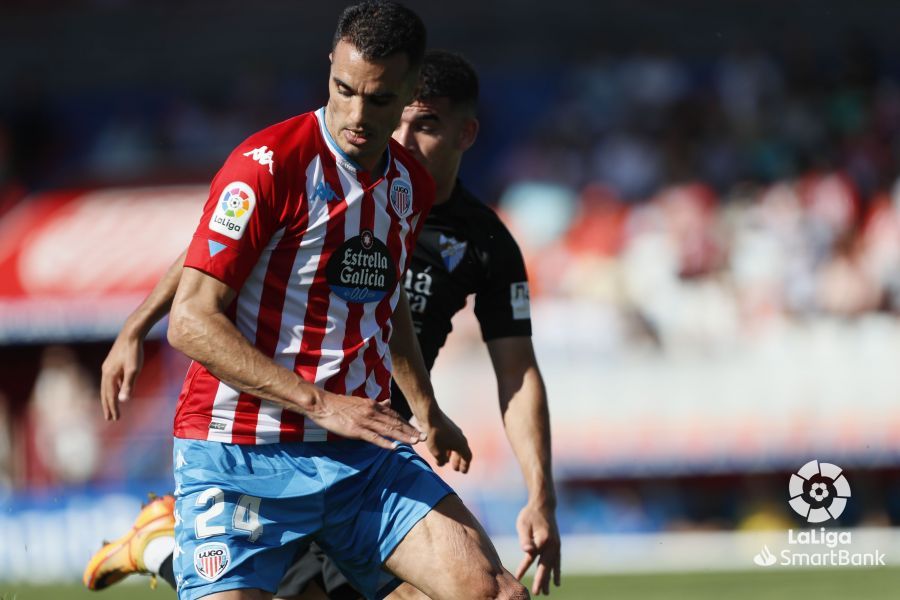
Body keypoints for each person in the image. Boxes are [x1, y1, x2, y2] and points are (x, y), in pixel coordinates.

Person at [83, 3, 530, 600]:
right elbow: (191, 320)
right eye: (344, 90)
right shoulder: (265, 167)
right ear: (330, 68)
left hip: (359, 457)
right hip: (241, 451)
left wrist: (425, 407)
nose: (357, 114)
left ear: (408, 92)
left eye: (379, 100)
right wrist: (320, 402)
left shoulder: (407, 185)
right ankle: (165, 544)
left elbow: (385, 295)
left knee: (495, 592)